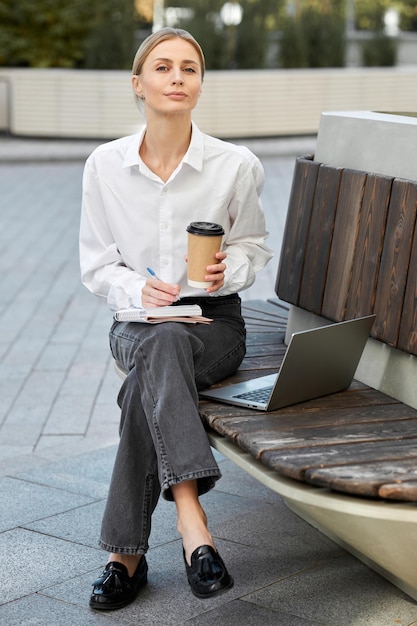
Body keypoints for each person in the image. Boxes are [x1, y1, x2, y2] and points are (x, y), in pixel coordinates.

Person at [79, 27, 273, 611]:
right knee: (158, 342)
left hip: (214, 326)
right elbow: (96, 266)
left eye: (189, 68)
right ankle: (193, 524)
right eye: (162, 67)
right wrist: (138, 286)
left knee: (152, 372)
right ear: (138, 84)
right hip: (137, 320)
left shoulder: (234, 165)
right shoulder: (104, 165)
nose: (177, 77)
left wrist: (226, 272)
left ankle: (125, 558)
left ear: (199, 85)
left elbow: (253, 246)